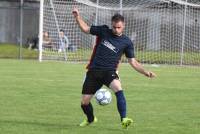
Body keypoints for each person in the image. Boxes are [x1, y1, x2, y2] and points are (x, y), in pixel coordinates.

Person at [72, 7, 156, 129]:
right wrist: (77, 17)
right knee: (84, 103)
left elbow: (133, 61)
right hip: (93, 72)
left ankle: (124, 119)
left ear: (124, 26)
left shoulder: (126, 42)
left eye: (119, 27)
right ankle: (90, 119)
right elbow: (85, 28)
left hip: (109, 72)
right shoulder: (103, 31)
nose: (116, 30)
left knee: (118, 89)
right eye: (114, 27)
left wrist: (145, 72)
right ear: (112, 25)